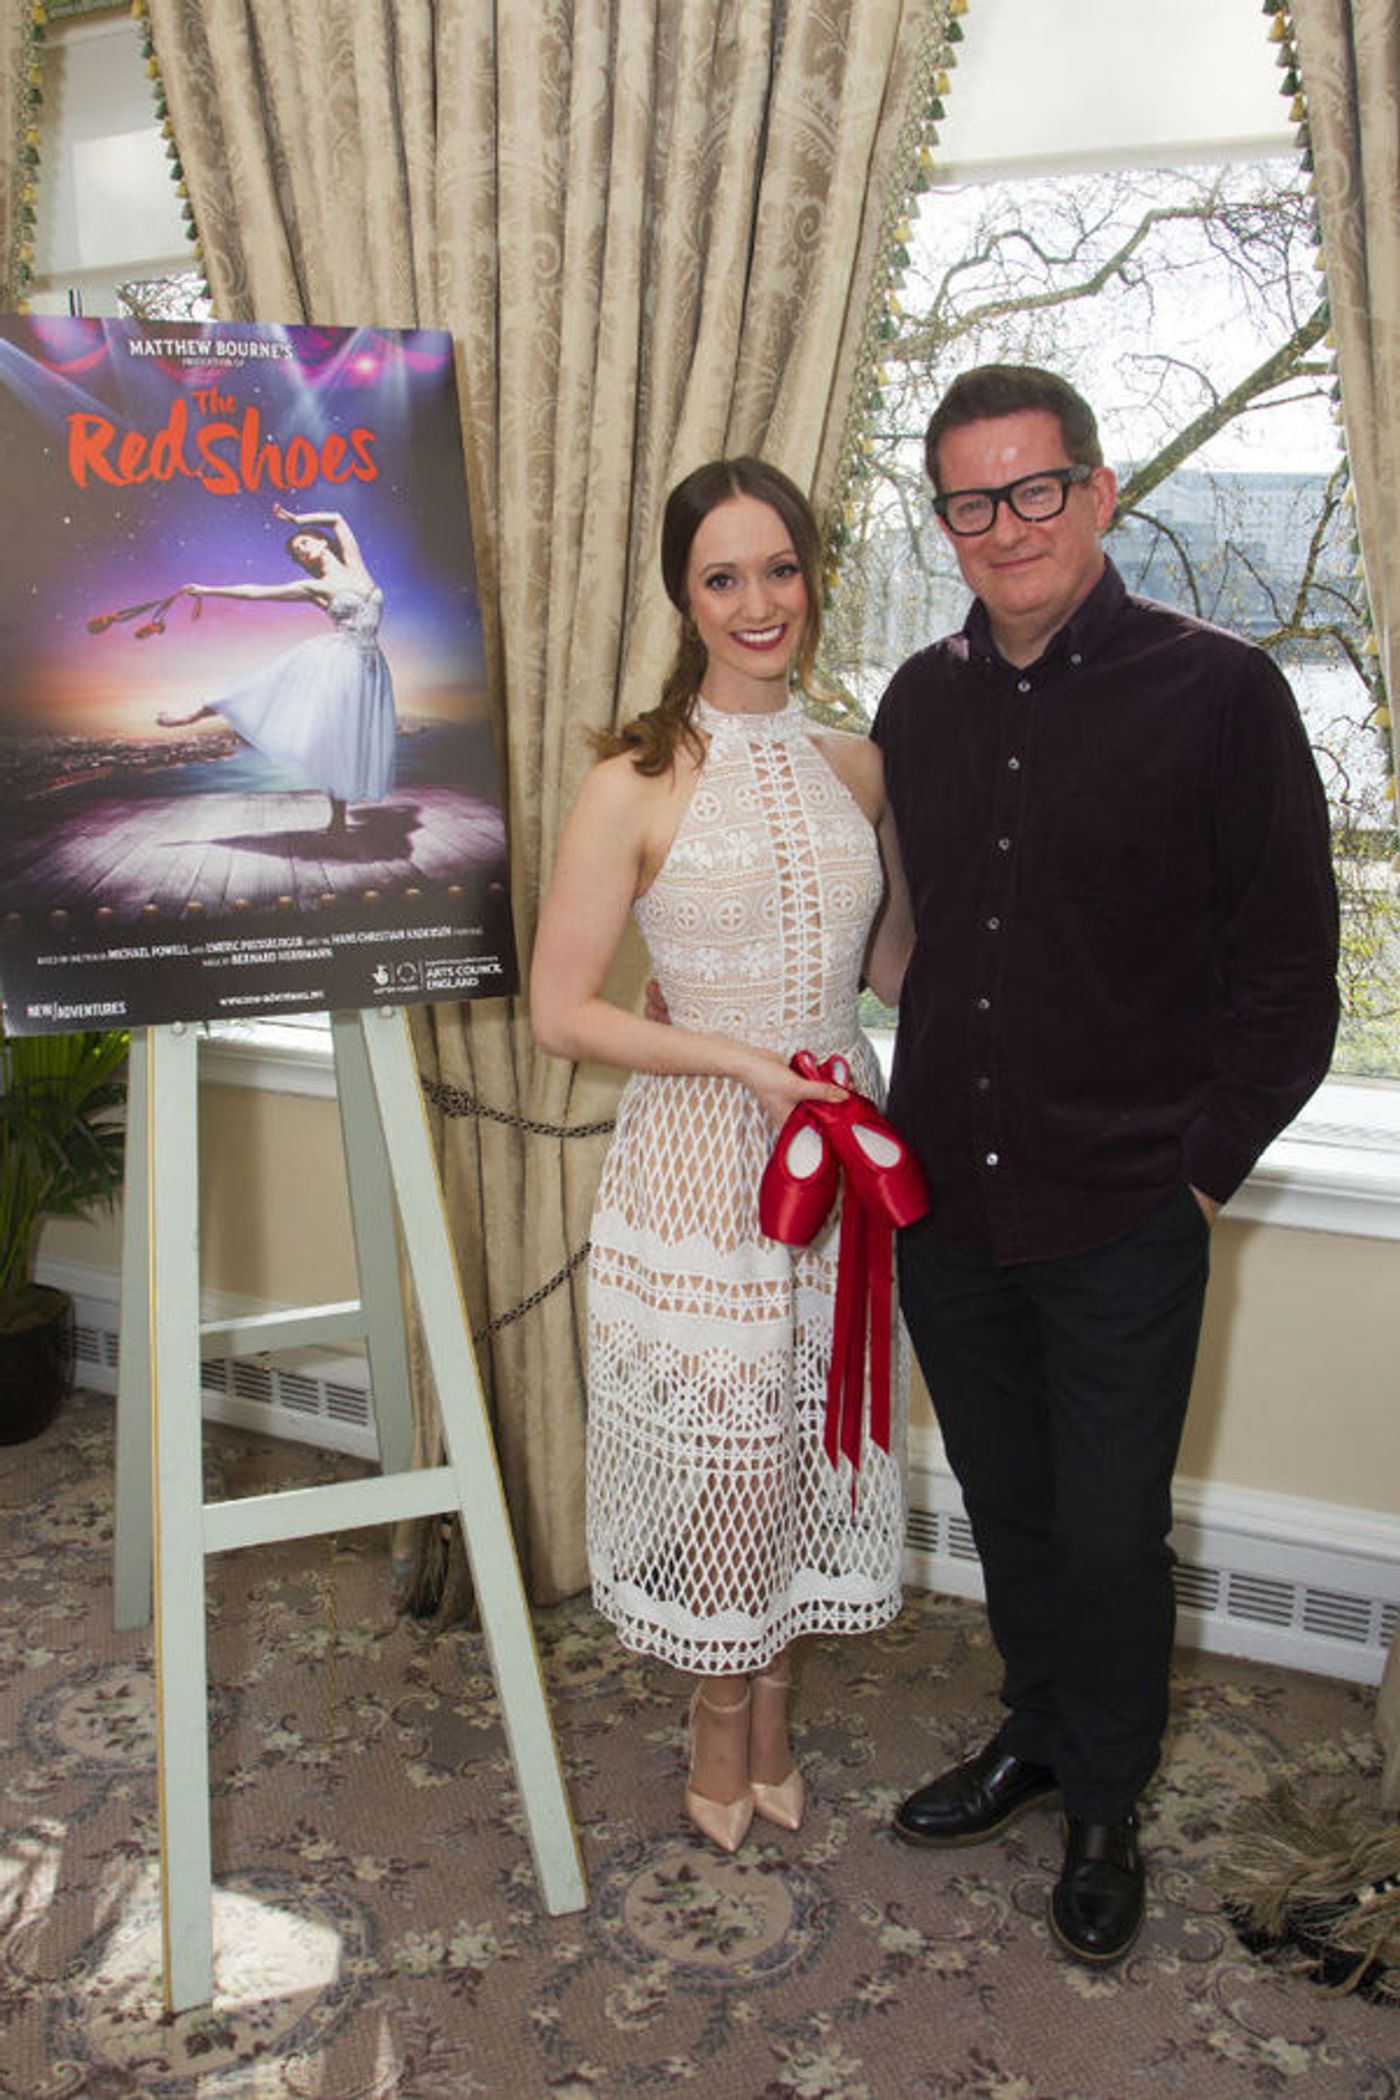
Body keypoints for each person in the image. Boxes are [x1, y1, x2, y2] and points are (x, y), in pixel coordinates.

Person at [873, 364, 1340, 1964]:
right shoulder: (919, 704)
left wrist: (1195, 1177)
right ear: (943, 522)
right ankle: (1036, 1734)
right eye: (969, 501)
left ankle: (1106, 1802)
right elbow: (922, 942)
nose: (1004, 526)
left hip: (1123, 1206)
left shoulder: (1222, 693)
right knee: (1007, 1503)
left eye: (1033, 489)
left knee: (1107, 1527)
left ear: (1098, 491)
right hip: (947, 1198)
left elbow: (1289, 984)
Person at [530, 457, 913, 1853]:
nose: (760, 603)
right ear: (685, 601)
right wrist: (751, 1064)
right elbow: (560, 1011)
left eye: (781, 569)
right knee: (736, 1460)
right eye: (723, 577)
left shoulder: (861, 767)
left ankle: (771, 1707)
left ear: (814, 576)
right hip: (704, 1165)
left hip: (842, 1164)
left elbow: (888, 971)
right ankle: (719, 1720)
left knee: (814, 1440)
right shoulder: (633, 778)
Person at [156, 503, 396, 834]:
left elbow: (338, 518)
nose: (302, 552)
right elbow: (256, 592)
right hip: (340, 661)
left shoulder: (355, 563)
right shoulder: (313, 587)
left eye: (304, 544)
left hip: (372, 665)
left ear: (322, 542)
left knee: (350, 739)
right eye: (298, 553)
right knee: (324, 728)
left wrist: (297, 520)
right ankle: (196, 712)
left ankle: (338, 818)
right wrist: (208, 590)